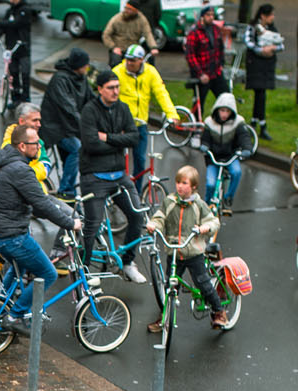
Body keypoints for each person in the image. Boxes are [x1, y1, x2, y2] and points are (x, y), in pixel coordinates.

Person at [0, 124, 83, 322]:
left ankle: (2, 307)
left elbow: (32, 203)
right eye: (35, 143)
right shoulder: (21, 170)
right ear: (21, 146)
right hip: (10, 235)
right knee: (48, 273)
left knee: (18, 267)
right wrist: (70, 223)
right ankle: (15, 315)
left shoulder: (7, 163)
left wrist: (49, 214)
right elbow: (42, 204)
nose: (39, 146)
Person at [80, 71, 146, 283]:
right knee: (93, 223)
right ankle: (84, 269)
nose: (116, 91)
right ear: (100, 89)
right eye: (111, 87)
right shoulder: (89, 111)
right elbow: (91, 144)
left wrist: (107, 137)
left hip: (119, 176)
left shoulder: (123, 108)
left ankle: (127, 263)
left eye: (117, 87)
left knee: (137, 215)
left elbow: (135, 138)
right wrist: (120, 141)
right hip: (95, 176)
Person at [147, 164, 225, 329]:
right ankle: (165, 318)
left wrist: (205, 228)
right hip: (175, 251)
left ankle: (219, 311)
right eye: (178, 182)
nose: (180, 186)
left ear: (194, 186)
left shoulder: (198, 205)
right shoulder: (169, 201)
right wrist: (154, 224)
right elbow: (160, 217)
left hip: (193, 252)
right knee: (170, 286)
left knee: (203, 283)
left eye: (184, 183)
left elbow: (213, 221)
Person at [115, 45, 177, 182]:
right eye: (127, 60)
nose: (129, 63)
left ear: (141, 60)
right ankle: (116, 189)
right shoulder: (118, 72)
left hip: (140, 124)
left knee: (140, 160)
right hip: (121, 124)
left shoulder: (150, 72)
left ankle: (136, 195)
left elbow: (161, 93)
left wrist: (172, 114)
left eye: (133, 60)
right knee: (118, 160)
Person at [40, 48, 92, 199]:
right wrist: (85, 125)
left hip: (69, 127)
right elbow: (68, 107)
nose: (87, 67)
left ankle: (68, 192)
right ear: (78, 65)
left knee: (70, 158)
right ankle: (67, 191)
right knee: (76, 149)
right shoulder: (60, 79)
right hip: (55, 127)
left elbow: (91, 99)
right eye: (85, 65)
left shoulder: (81, 78)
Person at [200, 91, 254, 211]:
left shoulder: (238, 123)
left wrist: (247, 149)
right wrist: (204, 145)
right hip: (213, 158)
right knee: (210, 184)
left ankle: (229, 196)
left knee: (236, 172)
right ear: (217, 110)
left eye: (227, 111)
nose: (224, 114)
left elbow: (244, 137)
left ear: (232, 112)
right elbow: (205, 139)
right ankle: (205, 207)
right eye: (222, 110)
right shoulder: (209, 122)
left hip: (230, 156)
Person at [242, 5, 281, 140]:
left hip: (267, 66)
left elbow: (281, 43)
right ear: (263, 16)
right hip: (256, 65)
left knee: (261, 94)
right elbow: (248, 41)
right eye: (271, 15)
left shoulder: (272, 29)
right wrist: (261, 50)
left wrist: (273, 48)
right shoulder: (253, 27)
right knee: (260, 93)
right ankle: (260, 125)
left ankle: (255, 122)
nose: (273, 17)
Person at [0, 0, 35, 106]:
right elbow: (4, 26)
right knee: (13, 72)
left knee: (25, 73)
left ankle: (26, 98)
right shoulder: (10, 11)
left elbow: (15, 24)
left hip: (23, 47)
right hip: (11, 47)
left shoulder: (25, 10)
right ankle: (15, 98)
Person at [184, 4, 228, 113]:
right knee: (199, 105)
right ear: (202, 16)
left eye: (213, 15)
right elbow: (190, 55)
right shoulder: (194, 32)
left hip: (216, 72)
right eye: (208, 15)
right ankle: (195, 127)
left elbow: (221, 48)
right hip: (202, 74)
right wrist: (200, 73)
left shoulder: (216, 29)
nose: (211, 17)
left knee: (226, 99)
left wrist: (221, 64)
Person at [1, 103, 49, 189]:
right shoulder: (10, 144)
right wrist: (37, 171)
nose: (39, 124)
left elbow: (46, 164)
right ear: (21, 121)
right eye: (35, 120)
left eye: (39, 120)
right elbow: (19, 174)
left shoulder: (39, 141)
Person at [102, 0, 157, 67]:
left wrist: (153, 47)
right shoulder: (117, 19)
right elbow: (106, 35)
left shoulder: (142, 19)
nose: (126, 11)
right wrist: (113, 47)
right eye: (126, 8)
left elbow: (148, 34)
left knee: (144, 63)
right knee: (116, 63)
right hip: (119, 48)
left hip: (133, 49)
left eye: (129, 9)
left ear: (136, 11)